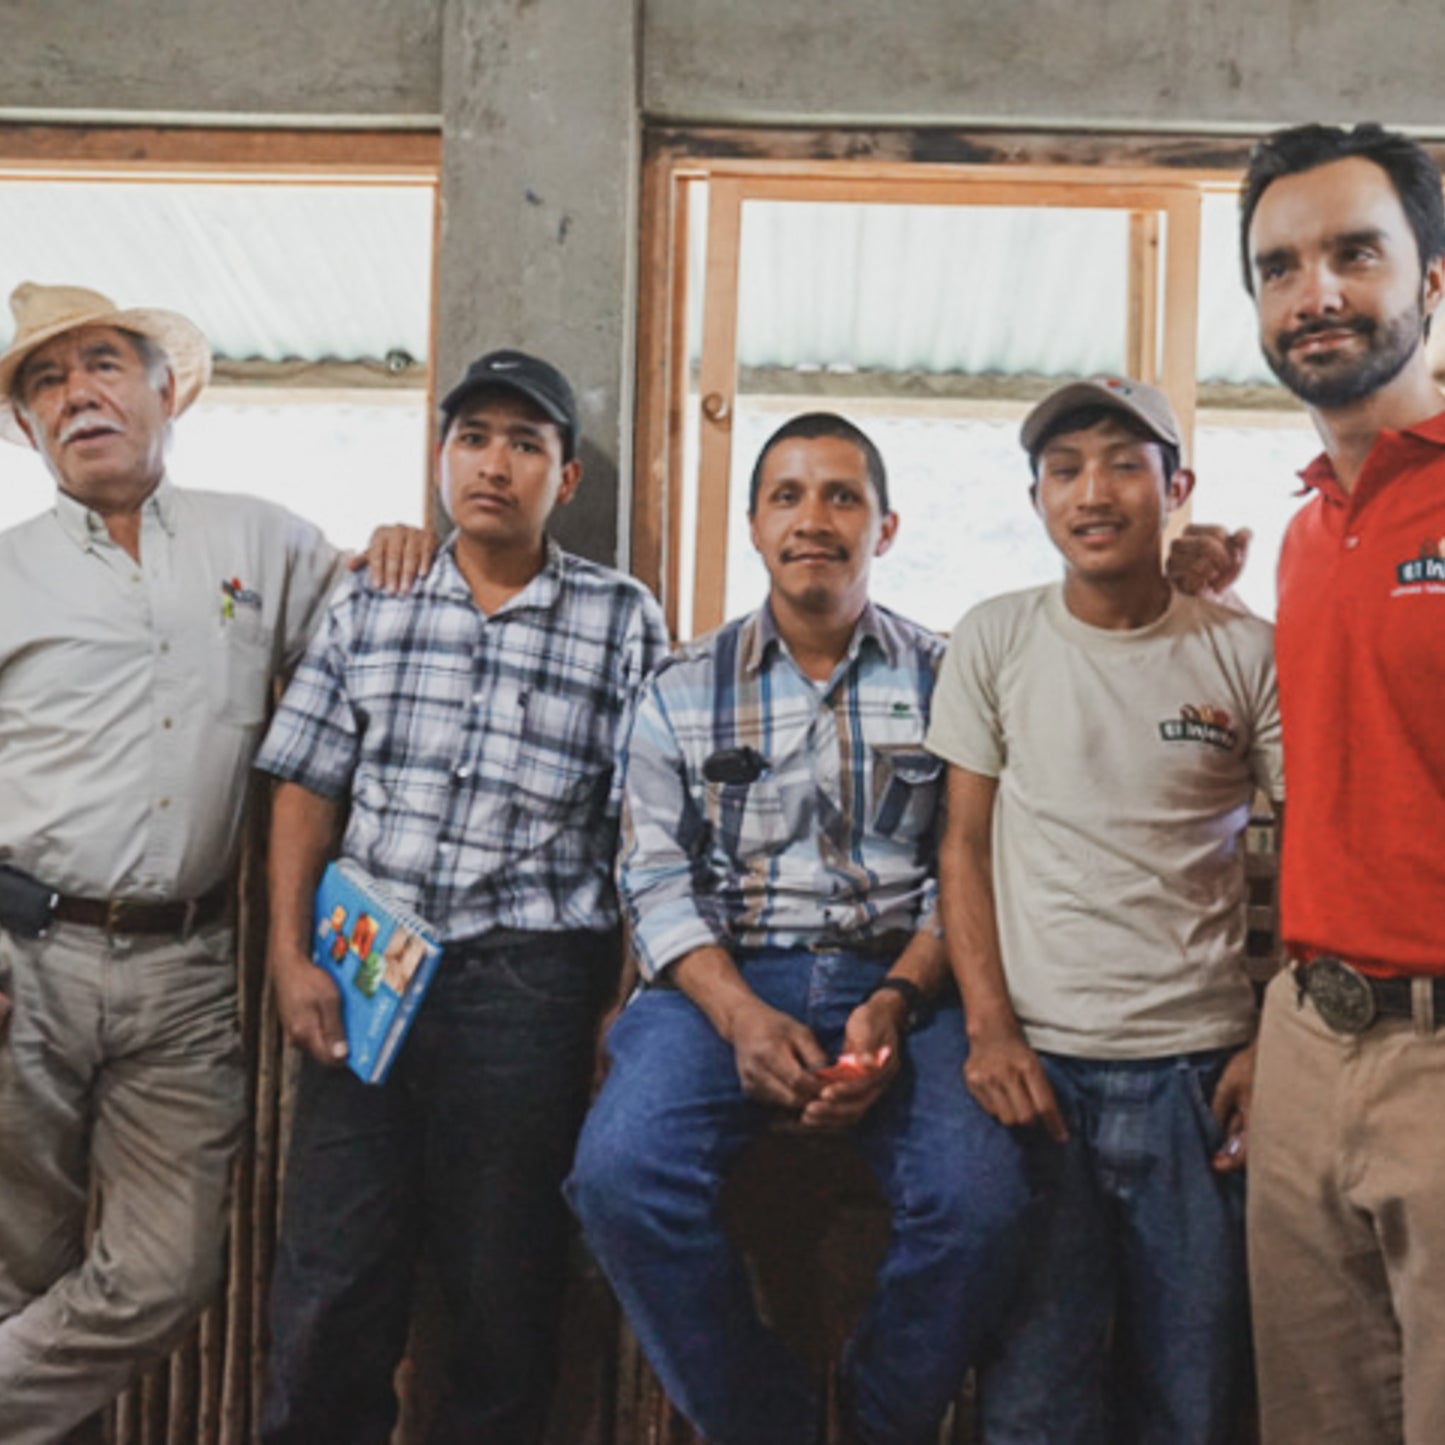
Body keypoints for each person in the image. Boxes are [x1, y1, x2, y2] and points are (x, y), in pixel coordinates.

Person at [0, 280, 430, 1444]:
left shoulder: (262, 540)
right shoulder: (8, 569)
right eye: (44, 381)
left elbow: (373, 633)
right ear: (28, 428)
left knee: (165, 1270)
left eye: (100, 363)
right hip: (17, 957)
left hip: (189, 965)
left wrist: (393, 543)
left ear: (162, 389)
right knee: (17, 1274)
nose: (75, 393)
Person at [566, 412, 1028, 1445]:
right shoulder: (680, 686)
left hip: (906, 984)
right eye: (787, 495)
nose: (812, 518)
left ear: (886, 525)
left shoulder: (950, 676)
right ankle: (763, 1416)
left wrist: (895, 999)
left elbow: (971, 863)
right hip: (722, 984)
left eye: (840, 495)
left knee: (981, 1199)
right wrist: (734, 1013)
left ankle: (874, 1418)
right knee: (618, 1177)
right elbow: (651, 871)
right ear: (751, 524)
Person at [254, 347, 670, 1444]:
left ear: (564, 478)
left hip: (527, 985)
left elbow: (644, 828)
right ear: (440, 458)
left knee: (504, 1283)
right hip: (362, 971)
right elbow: (307, 781)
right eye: (474, 438)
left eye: (525, 443)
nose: (496, 463)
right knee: (333, 1275)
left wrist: (619, 999)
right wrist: (289, 954)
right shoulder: (370, 597)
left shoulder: (622, 617)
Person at [927, 376, 1284, 1445]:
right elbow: (963, 841)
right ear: (1035, 496)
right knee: (1036, 1393)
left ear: (1175, 486)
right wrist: (988, 1027)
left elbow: (1316, 838)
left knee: (1194, 1390)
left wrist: (1275, 1037)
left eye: (1123, 463)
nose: (1093, 491)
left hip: (1197, 1080)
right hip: (1039, 1082)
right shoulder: (993, 638)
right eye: (1063, 468)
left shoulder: (1242, 650)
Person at [1171, 122, 1445, 1445]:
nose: (1313, 292)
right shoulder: (1299, 532)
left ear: (1431, 282)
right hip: (1306, 1043)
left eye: (1353, 253)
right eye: (1277, 268)